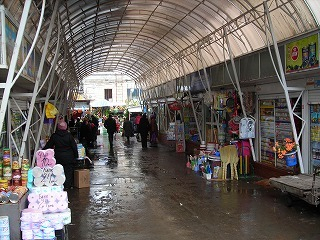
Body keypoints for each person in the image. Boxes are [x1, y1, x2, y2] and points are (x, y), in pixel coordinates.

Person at [43, 120, 78, 190]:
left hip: (58, 157)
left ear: (58, 127)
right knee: (68, 172)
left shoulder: (54, 136)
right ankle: (67, 186)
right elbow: (74, 147)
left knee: (59, 171)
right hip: (69, 157)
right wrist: (76, 156)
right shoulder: (69, 136)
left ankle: (60, 184)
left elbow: (48, 145)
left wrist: (42, 151)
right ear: (66, 127)